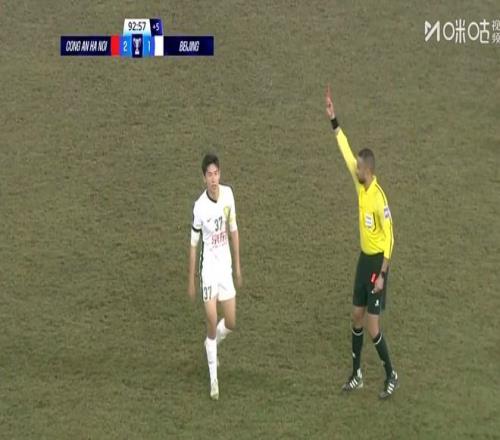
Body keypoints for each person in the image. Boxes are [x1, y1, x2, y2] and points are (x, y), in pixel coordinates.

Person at [325, 85, 399, 399]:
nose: (354, 168)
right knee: (356, 316)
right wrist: (334, 121)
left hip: (377, 265)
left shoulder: (379, 199)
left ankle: (391, 374)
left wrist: (382, 275)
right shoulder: (360, 187)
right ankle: (356, 374)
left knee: (372, 326)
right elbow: (346, 151)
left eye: (358, 167)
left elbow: (391, 238)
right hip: (363, 260)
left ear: (367, 171)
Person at [187, 153, 242, 400]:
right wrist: (191, 279)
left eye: (216, 173)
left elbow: (233, 230)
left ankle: (211, 345)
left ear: (220, 174)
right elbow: (193, 245)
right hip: (208, 271)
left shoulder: (228, 195)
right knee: (211, 320)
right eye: (209, 175)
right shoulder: (199, 207)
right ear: (203, 178)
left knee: (230, 322)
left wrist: (237, 266)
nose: (213, 178)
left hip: (225, 269)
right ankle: (214, 381)